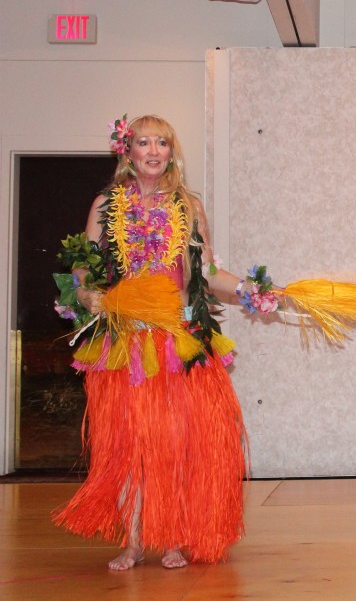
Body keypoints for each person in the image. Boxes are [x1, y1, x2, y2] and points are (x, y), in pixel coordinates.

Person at [53, 115, 252, 570]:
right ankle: (135, 541)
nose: (154, 151)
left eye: (162, 142)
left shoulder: (188, 206)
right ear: (128, 151)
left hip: (176, 340)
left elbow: (206, 273)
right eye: (143, 142)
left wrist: (253, 291)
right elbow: (84, 267)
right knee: (129, 445)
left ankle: (174, 537)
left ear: (171, 152)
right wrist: (85, 292)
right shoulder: (106, 205)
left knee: (176, 442)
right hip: (126, 340)